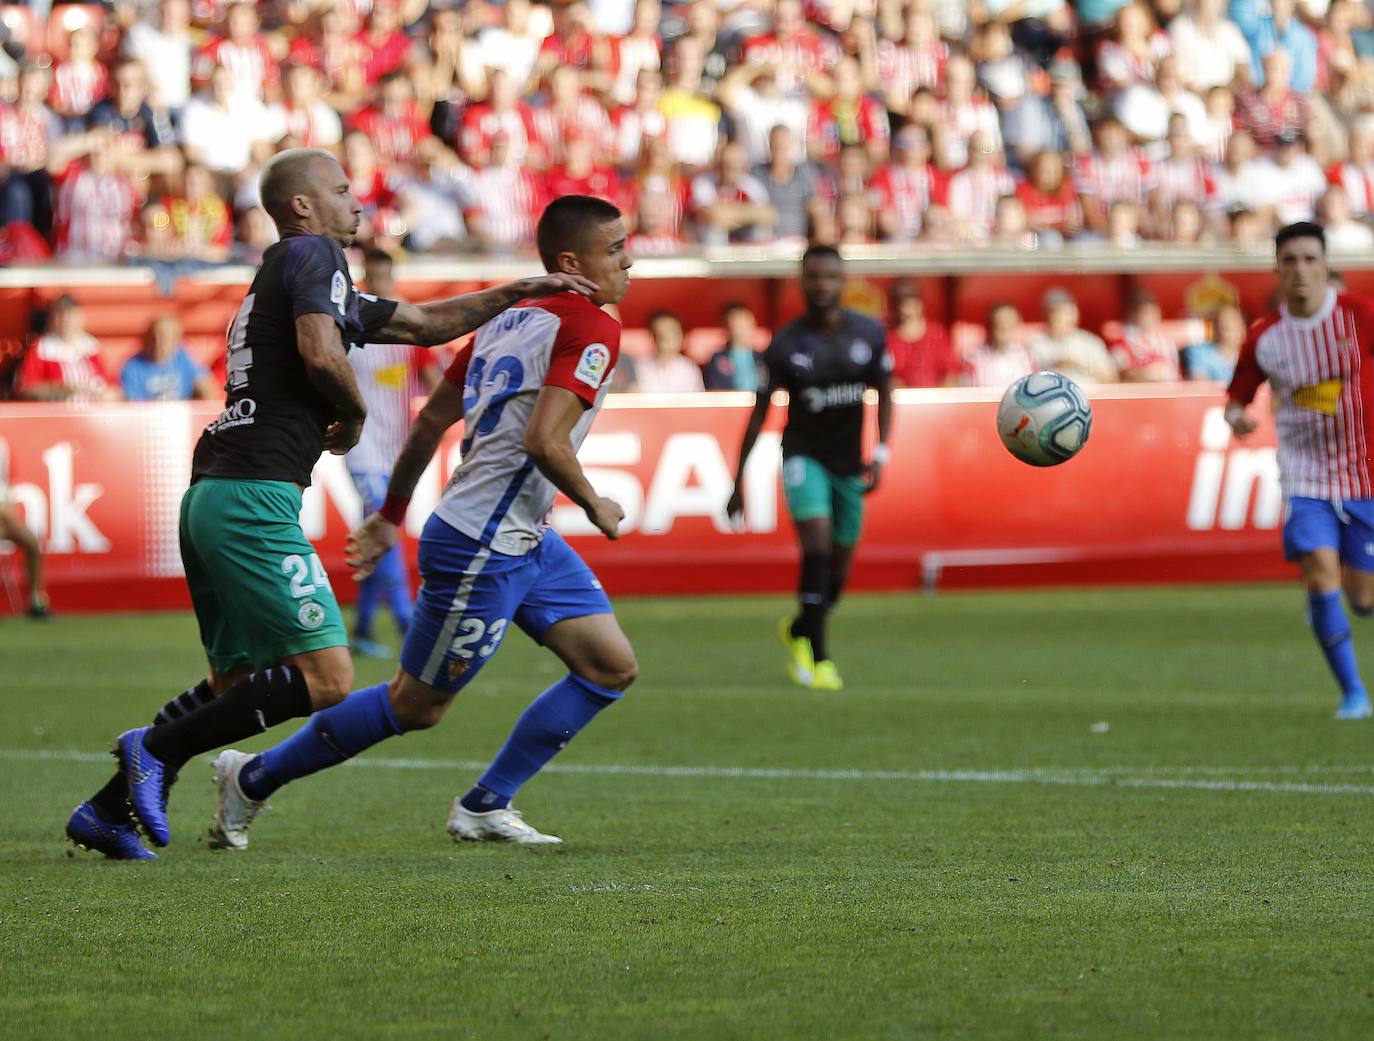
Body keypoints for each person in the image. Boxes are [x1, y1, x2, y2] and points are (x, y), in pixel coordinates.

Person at [65, 148, 597, 861]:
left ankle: (106, 810)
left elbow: (420, 322)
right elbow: (321, 353)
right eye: (343, 192)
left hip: (215, 491)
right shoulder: (313, 254)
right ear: (302, 207)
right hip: (253, 494)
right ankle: (153, 748)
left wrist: (519, 289)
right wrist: (350, 415)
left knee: (240, 685)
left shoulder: (288, 275)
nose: (358, 203)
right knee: (328, 677)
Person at [208, 195, 636, 849]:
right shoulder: (593, 329)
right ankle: (252, 778)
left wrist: (389, 516)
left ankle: (486, 803)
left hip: (525, 537)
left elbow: (432, 419)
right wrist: (595, 501)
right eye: (615, 249)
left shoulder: (507, 322)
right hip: (481, 544)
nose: (628, 260)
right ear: (572, 262)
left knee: (609, 666)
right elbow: (545, 442)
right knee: (415, 703)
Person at [726, 245, 893, 691]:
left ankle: (800, 625)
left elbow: (886, 392)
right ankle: (818, 658)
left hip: (848, 463)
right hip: (803, 456)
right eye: (813, 277)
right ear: (801, 283)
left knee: (838, 569)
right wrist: (737, 479)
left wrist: (881, 454)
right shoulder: (784, 345)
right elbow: (759, 413)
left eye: (830, 277)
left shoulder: (868, 334)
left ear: (842, 282)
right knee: (815, 545)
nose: (822, 285)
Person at [1225, 221, 1374, 721]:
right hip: (1306, 477)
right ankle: (1353, 694)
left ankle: (1333, 606)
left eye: (1310, 259)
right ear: (1276, 270)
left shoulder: (1360, 317)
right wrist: (1238, 418)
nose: (1301, 271)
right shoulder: (1265, 338)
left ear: (1327, 266)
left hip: (1366, 477)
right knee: (1319, 570)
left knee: (1364, 597)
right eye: (1290, 261)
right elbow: (1235, 397)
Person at [344, 249, 444, 659]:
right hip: (362, 449)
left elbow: (436, 380)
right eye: (373, 275)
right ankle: (408, 624)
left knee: (374, 535)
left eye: (385, 275)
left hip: (397, 451)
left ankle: (363, 631)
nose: (379, 282)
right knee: (387, 527)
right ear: (365, 275)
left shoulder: (408, 327)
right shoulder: (350, 324)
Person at [1028, 289, 1118, 385]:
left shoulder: (1090, 341)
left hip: (1089, 395)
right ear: (1046, 316)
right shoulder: (1035, 343)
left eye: (1069, 313)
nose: (1064, 319)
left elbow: (1112, 379)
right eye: (1058, 314)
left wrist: (1078, 366)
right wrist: (1053, 367)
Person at [120, 315, 219, 401]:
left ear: (176, 340)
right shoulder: (133, 366)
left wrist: (203, 391)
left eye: (164, 338)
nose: (158, 343)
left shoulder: (184, 358)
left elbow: (207, 387)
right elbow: (132, 401)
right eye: (154, 337)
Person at [886, 278, 959, 388]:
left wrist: (937, 399)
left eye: (912, 301)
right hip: (904, 402)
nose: (907, 308)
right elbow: (888, 379)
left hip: (938, 400)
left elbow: (951, 374)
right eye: (902, 303)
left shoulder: (937, 334)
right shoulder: (889, 339)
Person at [636, 310, 704, 392]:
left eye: (672, 331)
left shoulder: (689, 368)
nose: (668, 337)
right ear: (653, 337)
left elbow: (697, 400)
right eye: (661, 333)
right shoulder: (640, 366)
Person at [703, 302, 765, 391]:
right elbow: (715, 390)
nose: (742, 329)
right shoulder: (717, 360)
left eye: (746, 323)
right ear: (727, 327)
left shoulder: (763, 358)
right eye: (738, 324)